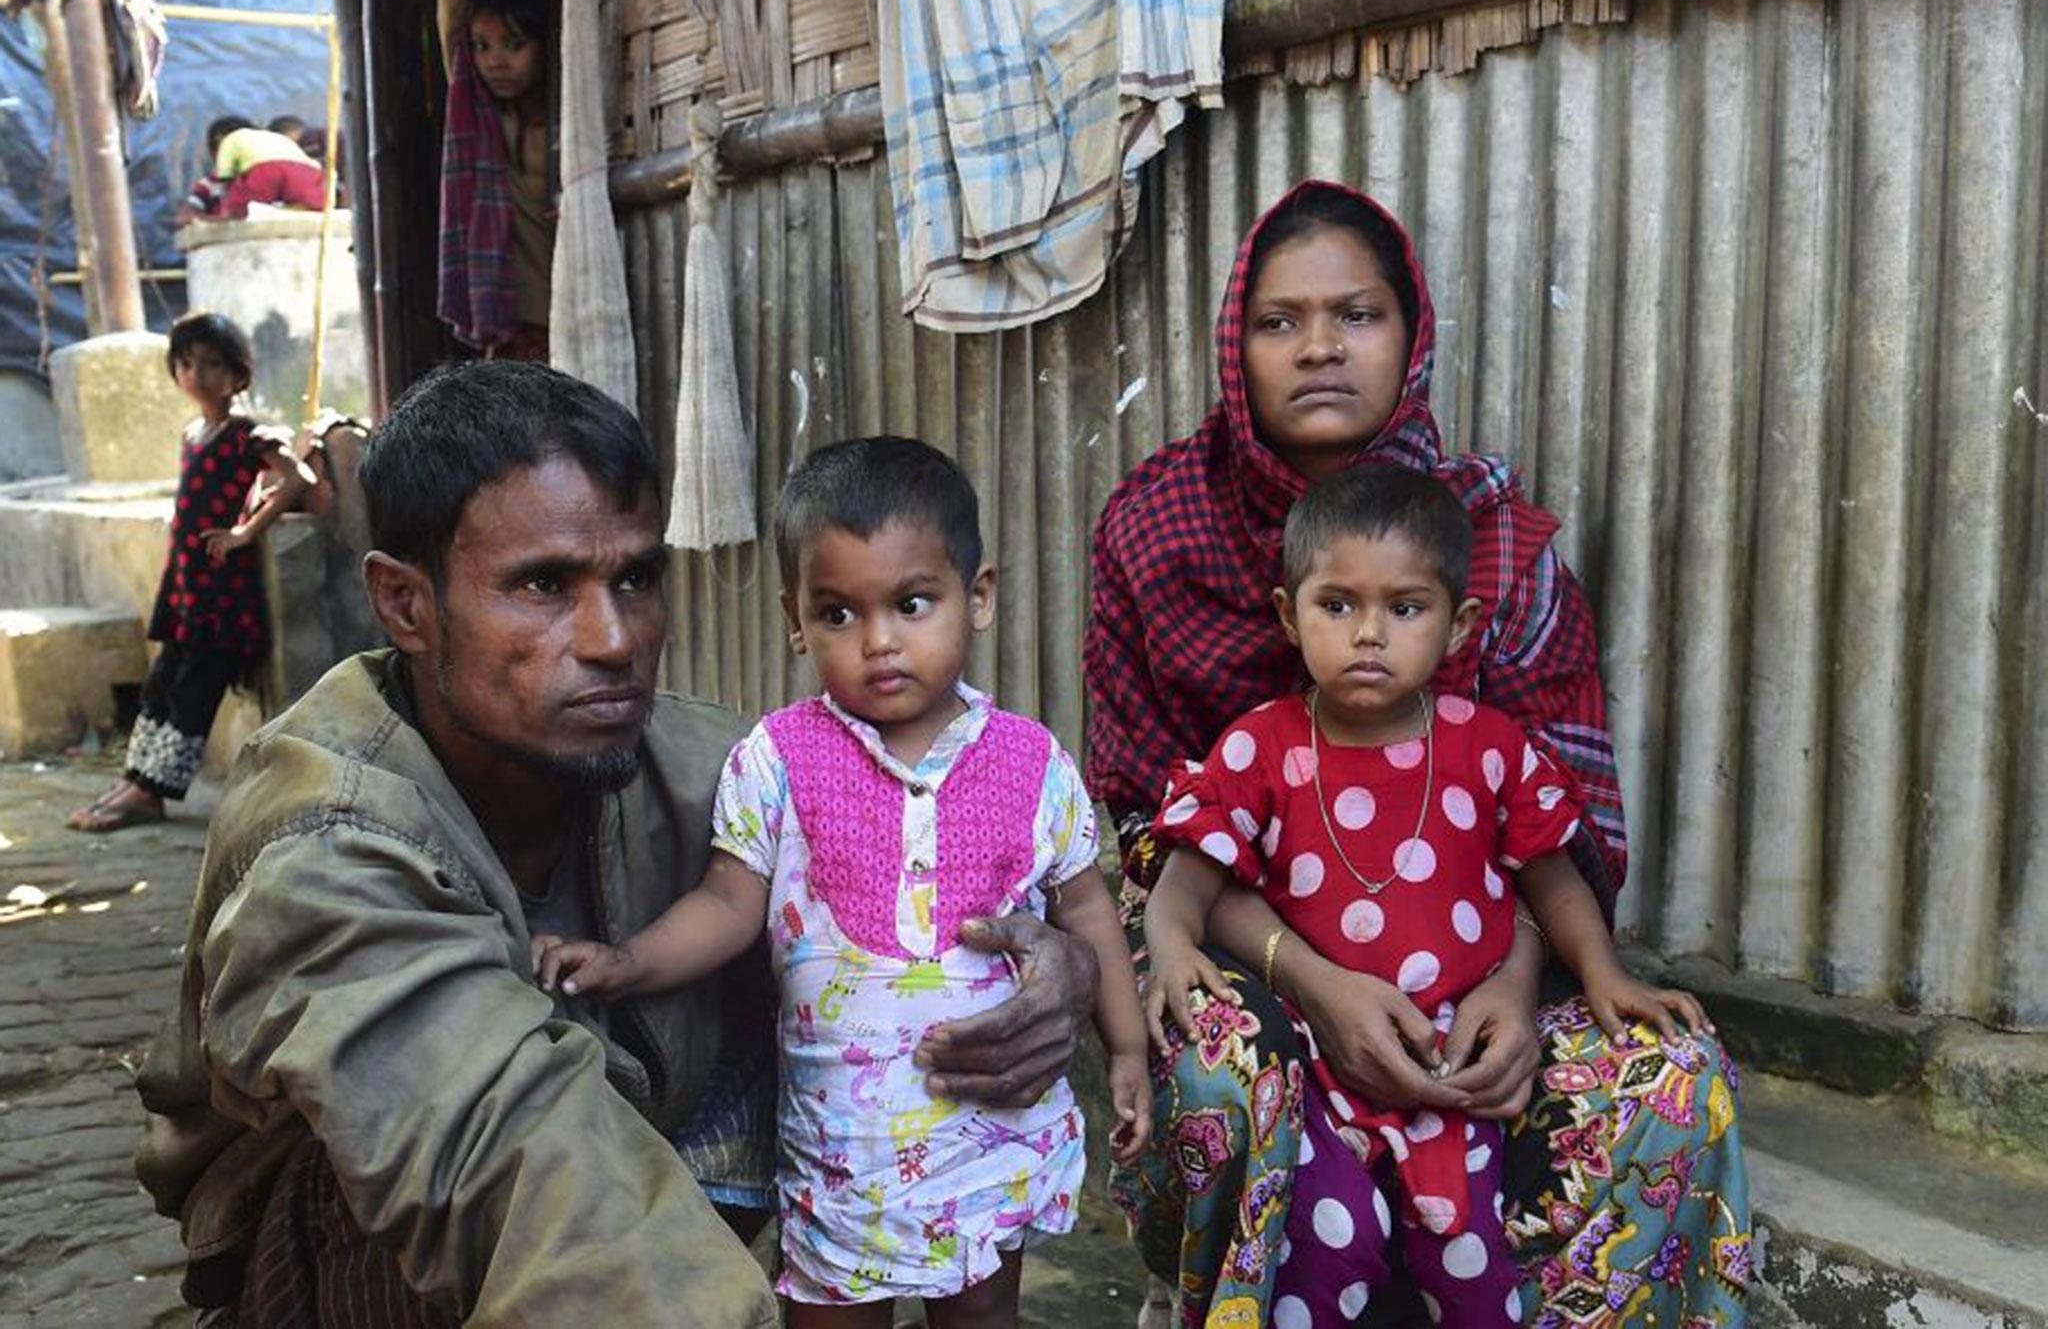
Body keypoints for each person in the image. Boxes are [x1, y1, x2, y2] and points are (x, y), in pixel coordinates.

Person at [133, 363, 1102, 1324]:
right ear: (405, 605)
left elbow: (972, 908)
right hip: (369, 1248)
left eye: (635, 578)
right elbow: (501, 1160)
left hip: (635, 1183)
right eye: (544, 585)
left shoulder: (725, 767)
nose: (611, 638)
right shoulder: (322, 843)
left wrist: (1060, 971)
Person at [1086, 180, 1750, 1325]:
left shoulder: (1494, 545)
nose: (1319, 349)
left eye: (1357, 314)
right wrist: (1314, 980)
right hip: (1253, 963)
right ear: (1233, 346)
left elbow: (1561, 836)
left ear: (1411, 334)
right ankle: (1220, 1295)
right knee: (1207, 1071)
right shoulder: (1155, 530)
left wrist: (1510, 981)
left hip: (1486, 974)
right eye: (1278, 321)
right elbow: (1155, 831)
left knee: (1676, 1083)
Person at [533, 435, 1151, 1328]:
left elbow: (1085, 906)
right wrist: (629, 962)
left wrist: (1126, 1049)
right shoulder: (778, 757)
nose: (879, 642)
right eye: (838, 615)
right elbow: (727, 900)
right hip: (839, 1147)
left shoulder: (1030, 762)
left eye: (910, 603)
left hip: (988, 1133)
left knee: (983, 1314)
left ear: (976, 598)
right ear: (796, 618)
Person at [1143, 465, 1714, 1324]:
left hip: (1450, 1079)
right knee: (1328, 1263)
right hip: (1325, 1083)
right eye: (1336, 606)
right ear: (1286, 615)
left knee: (1475, 1282)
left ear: (1460, 627)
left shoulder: (1491, 749)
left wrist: (1602, 974)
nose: (1368, 634)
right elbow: (1187, 876)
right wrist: (1174, 945)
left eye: (1405, 609)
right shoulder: (1258, 749)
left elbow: (1551, 877)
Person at [68, 314, 308, 832]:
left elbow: (296, 477)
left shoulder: (249, 434)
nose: (195, 373)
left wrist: (246, 531)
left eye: (211, 363)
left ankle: (152, 794)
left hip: (222, 593)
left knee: (194, 690)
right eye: (184, 363)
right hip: (186, 589)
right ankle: (135, 779)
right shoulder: (194, 434)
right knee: (162, 684)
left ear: (238, 374)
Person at [436, 0, 553, 359]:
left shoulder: (568, 123)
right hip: (507, 328)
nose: (494, 61)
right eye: (482, 46)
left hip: (566, 319)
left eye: (514, 44)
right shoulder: (482, 116)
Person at [173, 114, 251, 228]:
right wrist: (227, 223)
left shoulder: (263, 180)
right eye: (225, 152)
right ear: (213, 154)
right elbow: (183, 218)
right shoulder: (210, 185)